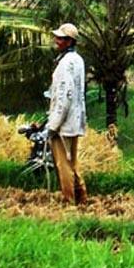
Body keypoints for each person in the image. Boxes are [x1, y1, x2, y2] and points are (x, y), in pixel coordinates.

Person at [47, 23, 88, 205]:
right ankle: (82, 198)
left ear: (70, 41)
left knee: (63, 164)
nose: (57, 41)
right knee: (73, 163)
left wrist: (53, 125)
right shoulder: (78, 60)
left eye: (61, 38)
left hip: (63, 123)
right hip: (75, 120)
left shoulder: (65, 64)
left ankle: (68, 200)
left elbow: (64, 97)